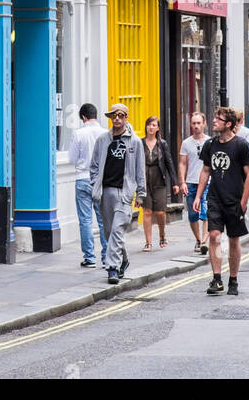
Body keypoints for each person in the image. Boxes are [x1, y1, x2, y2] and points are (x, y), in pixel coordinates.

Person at [194, 106, 249, 297]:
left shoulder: (241, 145)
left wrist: (244, 201)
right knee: (214, 236)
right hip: (215, 198)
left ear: (228, 124)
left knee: (234, 240)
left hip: (234, 200)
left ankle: (233, 279)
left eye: (218, 119)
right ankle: (217, 278)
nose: (214, 121)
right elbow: (205, 171)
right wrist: (198, 196)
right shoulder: (210, 145)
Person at [90, 102, 146, 286]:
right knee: (109, 232)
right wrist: (94, 184)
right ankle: (123, 259)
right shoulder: (102, 140)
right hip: (105, 191)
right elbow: (94, 165)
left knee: (117, 230)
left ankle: (112, 267)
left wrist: (141, 193)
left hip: (124, 193)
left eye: (120, 115)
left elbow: (140, 170)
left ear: (126, 118)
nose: (117, 119)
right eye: (114, 115)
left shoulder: (135, 142)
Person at [68, 103, 108, 268]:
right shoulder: (106, 134)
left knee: (85, 220)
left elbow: (72, 159)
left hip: (83, 178)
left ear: (83, 117)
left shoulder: (78, 134)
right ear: (95, 115)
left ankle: (90, 258)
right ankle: (106, 257)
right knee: (103, 220)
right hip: (101, 180)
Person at [140, 116, 179, 250]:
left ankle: (162, 235)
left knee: (160, 213)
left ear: (157, 128)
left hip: (159, 181)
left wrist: (175, 183)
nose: (151, 127)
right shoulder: (140, 143)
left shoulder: (162, 144)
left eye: (153, 125)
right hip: (144, 182)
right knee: (147, 211)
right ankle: (148, 243)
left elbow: (169, 163)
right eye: (149, 124)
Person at [179, 112, 211, 254]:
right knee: (192, 215)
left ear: (204, 124)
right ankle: (198, 239)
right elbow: (182, 163)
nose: (196, 126)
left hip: (208, 182)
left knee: (205, 212)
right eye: (194, 123)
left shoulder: (210, 142)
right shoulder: (186, 143)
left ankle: (204, 242)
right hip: (191, 182)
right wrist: (182, 182)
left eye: (199, 123)